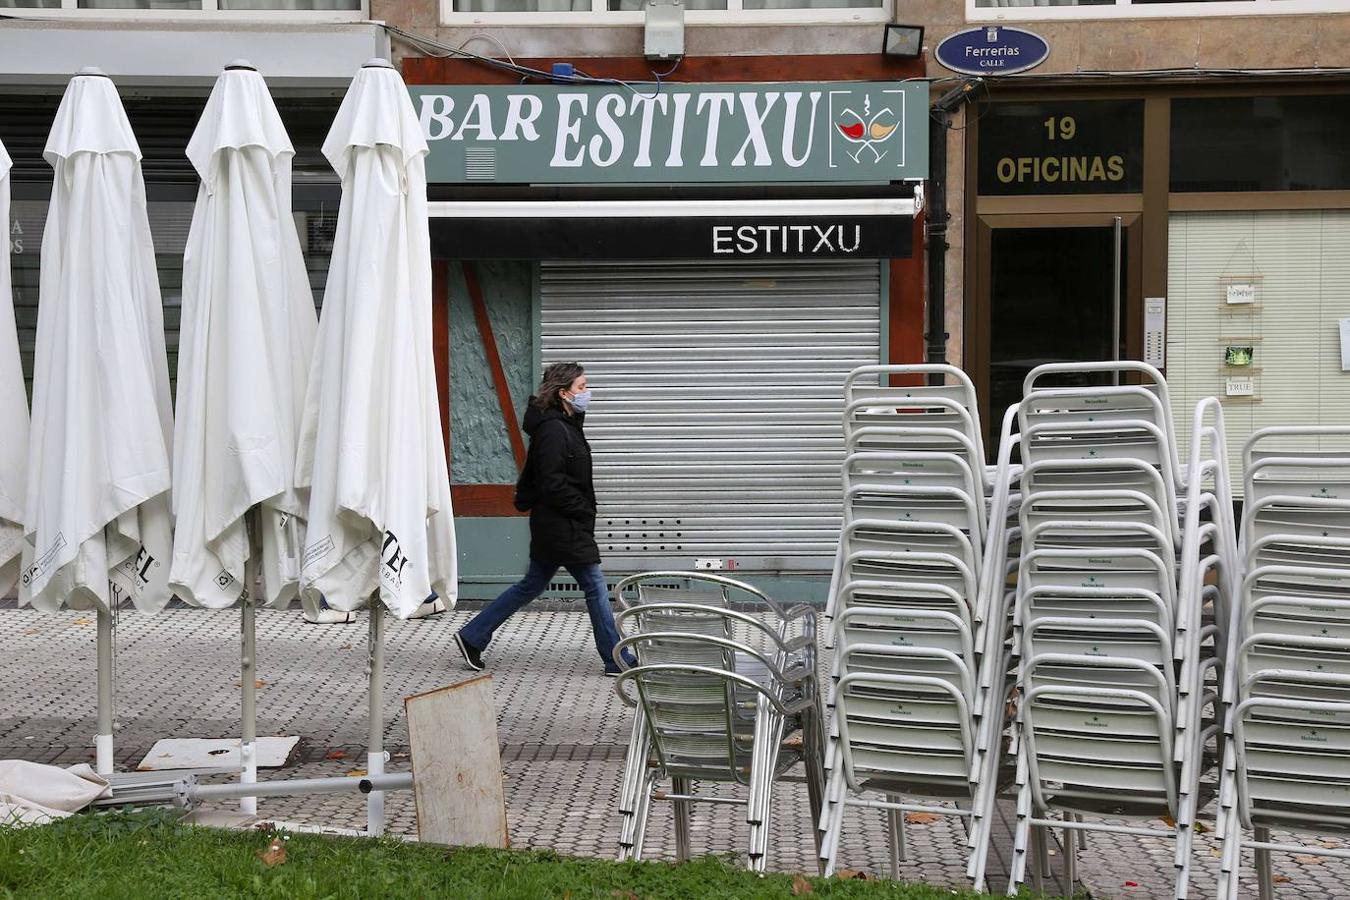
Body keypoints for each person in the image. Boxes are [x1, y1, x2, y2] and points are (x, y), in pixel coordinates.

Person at [454, 362, 634, 676]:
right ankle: (615, 658)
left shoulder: (566, 424)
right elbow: (552, 482)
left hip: (558, 524)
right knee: (594, 585)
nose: (587, 393)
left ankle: (473, 636)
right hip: (562, 525)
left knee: (531, 585)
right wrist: (582, 508)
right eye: (581, 387)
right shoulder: (553, 430)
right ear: (564, 393)